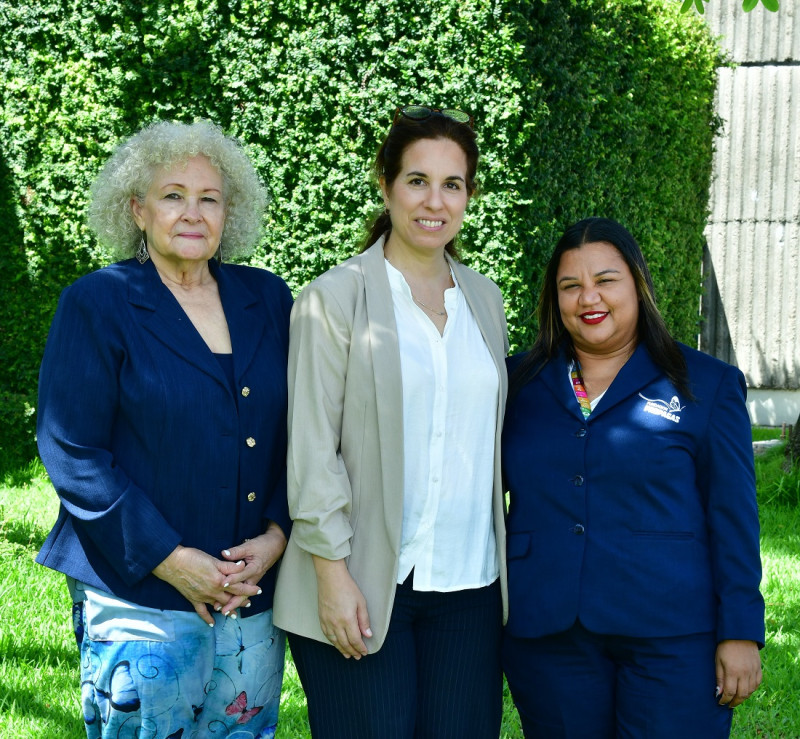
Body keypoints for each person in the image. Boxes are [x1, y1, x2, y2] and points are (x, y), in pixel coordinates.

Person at [36, 119, 292, 739]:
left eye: (209, 198)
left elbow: (303, 430)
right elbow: (72, 450)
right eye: (173, 195)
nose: (192, 212)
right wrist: (172, 561)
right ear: (137, 210)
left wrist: (280, 534)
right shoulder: (99, 301)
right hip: (138, 593)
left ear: (229, 213)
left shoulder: (269, 298)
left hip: (248, 593)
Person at [273, 105, 509, 738]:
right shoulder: (334, 297)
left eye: (453, 184)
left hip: (470, 582)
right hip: (364, 579)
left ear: (469, 194)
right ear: (386, 184)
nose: (435, 201)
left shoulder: (486, 300)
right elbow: (311, 447)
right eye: (417, 180)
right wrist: (332, 575)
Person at [501, 217, 765, 738]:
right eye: (569, 286)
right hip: (550, 631)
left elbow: (734, 518)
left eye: (606, 280)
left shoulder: (707, 385)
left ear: (637, 284)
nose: (588, 298)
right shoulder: (515, 383)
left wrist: (741, 631)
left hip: (673, 635)